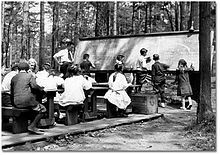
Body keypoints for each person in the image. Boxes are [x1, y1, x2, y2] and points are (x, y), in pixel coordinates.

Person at [10, 62, 46, 134]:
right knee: (43, 109)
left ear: (18, 69)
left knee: (33, 106)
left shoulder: (14, 78)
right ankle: (32, 126)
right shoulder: (29, 76)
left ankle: (33, 126)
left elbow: (12, 92)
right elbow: (34, 86)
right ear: (27, 69)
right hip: (27, 101)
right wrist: (42, 89)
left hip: (16, 102)